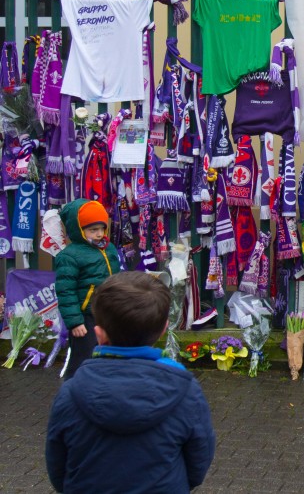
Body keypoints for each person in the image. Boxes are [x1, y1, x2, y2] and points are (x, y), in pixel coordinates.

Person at [45, 271, 216, 493]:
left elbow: (57, 465)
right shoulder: (184, 389)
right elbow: (199, 457)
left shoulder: (71, 392)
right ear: (163, 328)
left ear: (98, 334)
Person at [54, 199, 121, 379]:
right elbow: (65, 291)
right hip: (85, 316)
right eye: (93, 230)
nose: (99, 234)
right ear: (79, 230)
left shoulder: (110, 249)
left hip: (107, 313)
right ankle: (73, 392)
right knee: (83, 358)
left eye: (102, 228)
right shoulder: (69, 256)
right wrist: (75, 322)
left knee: (107, 355)